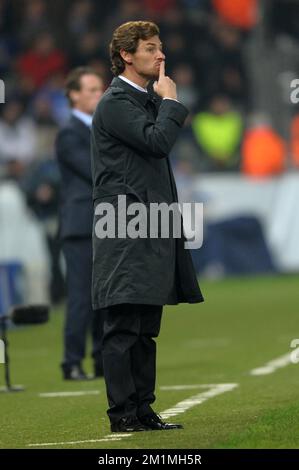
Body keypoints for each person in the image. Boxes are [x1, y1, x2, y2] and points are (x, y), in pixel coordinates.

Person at [91, 21, 204, 431]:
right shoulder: (116, 102)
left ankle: (142, 409)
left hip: (149, 222)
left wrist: (163, 103)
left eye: (161, 48)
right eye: (151, 49)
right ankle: (122, 413)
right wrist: (171, 102)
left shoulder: (142, 100)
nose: (161, 56)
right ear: (126, 55)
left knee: (144, 326)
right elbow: (157, 142)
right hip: (123, 224)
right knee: (123, 322)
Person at [56, 67, 104, 380]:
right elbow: (93, 170)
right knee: (81, 297)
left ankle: (103, 360)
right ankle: (71, 362)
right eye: (91, 90)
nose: (98, 95)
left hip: (104, 223)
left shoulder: (100, 129)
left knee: (105, 296)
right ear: (74, 94)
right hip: (79, 224)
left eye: (100, 89)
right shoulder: (69, 133)